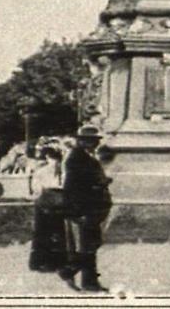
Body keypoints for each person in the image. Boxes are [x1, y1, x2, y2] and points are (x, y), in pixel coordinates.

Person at [58, 125, 113, 293]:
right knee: (90, 245)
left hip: (91, 208)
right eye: (91, 140)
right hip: (84, 208)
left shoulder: (86, 157)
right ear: (82, 141)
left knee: (92, 244)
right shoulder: (77, 158)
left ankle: (89, 282)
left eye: (96, 140)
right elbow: (73, 186)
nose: (95, 143)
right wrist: (100, 184)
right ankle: (70, 271)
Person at [29, 145, 67, 273]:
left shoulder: (47, 171)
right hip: (49, 204)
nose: (55, 162)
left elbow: (36, 189)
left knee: (51, 233)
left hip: (51, 204)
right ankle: (47, 262)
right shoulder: (44, 172)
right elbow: (37, 190)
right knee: (49, 233)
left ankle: (49, 262)